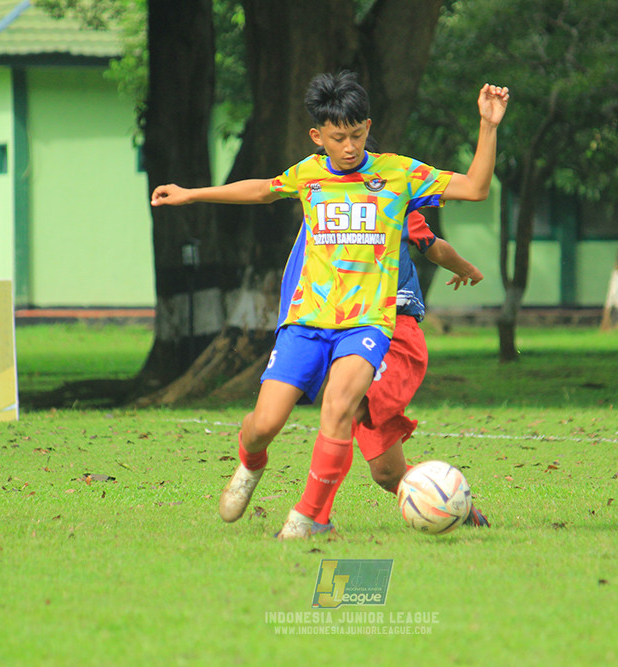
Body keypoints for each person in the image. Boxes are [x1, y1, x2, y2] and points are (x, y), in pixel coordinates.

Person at [151, 70, 508, 539]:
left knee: (339, 408)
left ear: (367, 127)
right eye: (338, 138)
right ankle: (249, 461)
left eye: (357, 135)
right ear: (318, 137)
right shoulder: (309, 175)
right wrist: (192, 193)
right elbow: (260, 189)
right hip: (306, 322)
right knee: (265, 424)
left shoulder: (397, 174)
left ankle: (308, 519)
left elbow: (476, 188)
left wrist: (488, 125)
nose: (350, 147)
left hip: (369, 324)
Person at [310, 209, 489, 533]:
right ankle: (455, 506)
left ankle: (314, 517)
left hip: (396, 333)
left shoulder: (391, 198)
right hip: (351, 334)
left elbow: (433, 245)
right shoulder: (323, 203)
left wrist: (466, 268)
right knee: (387, 473)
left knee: (348, 407)